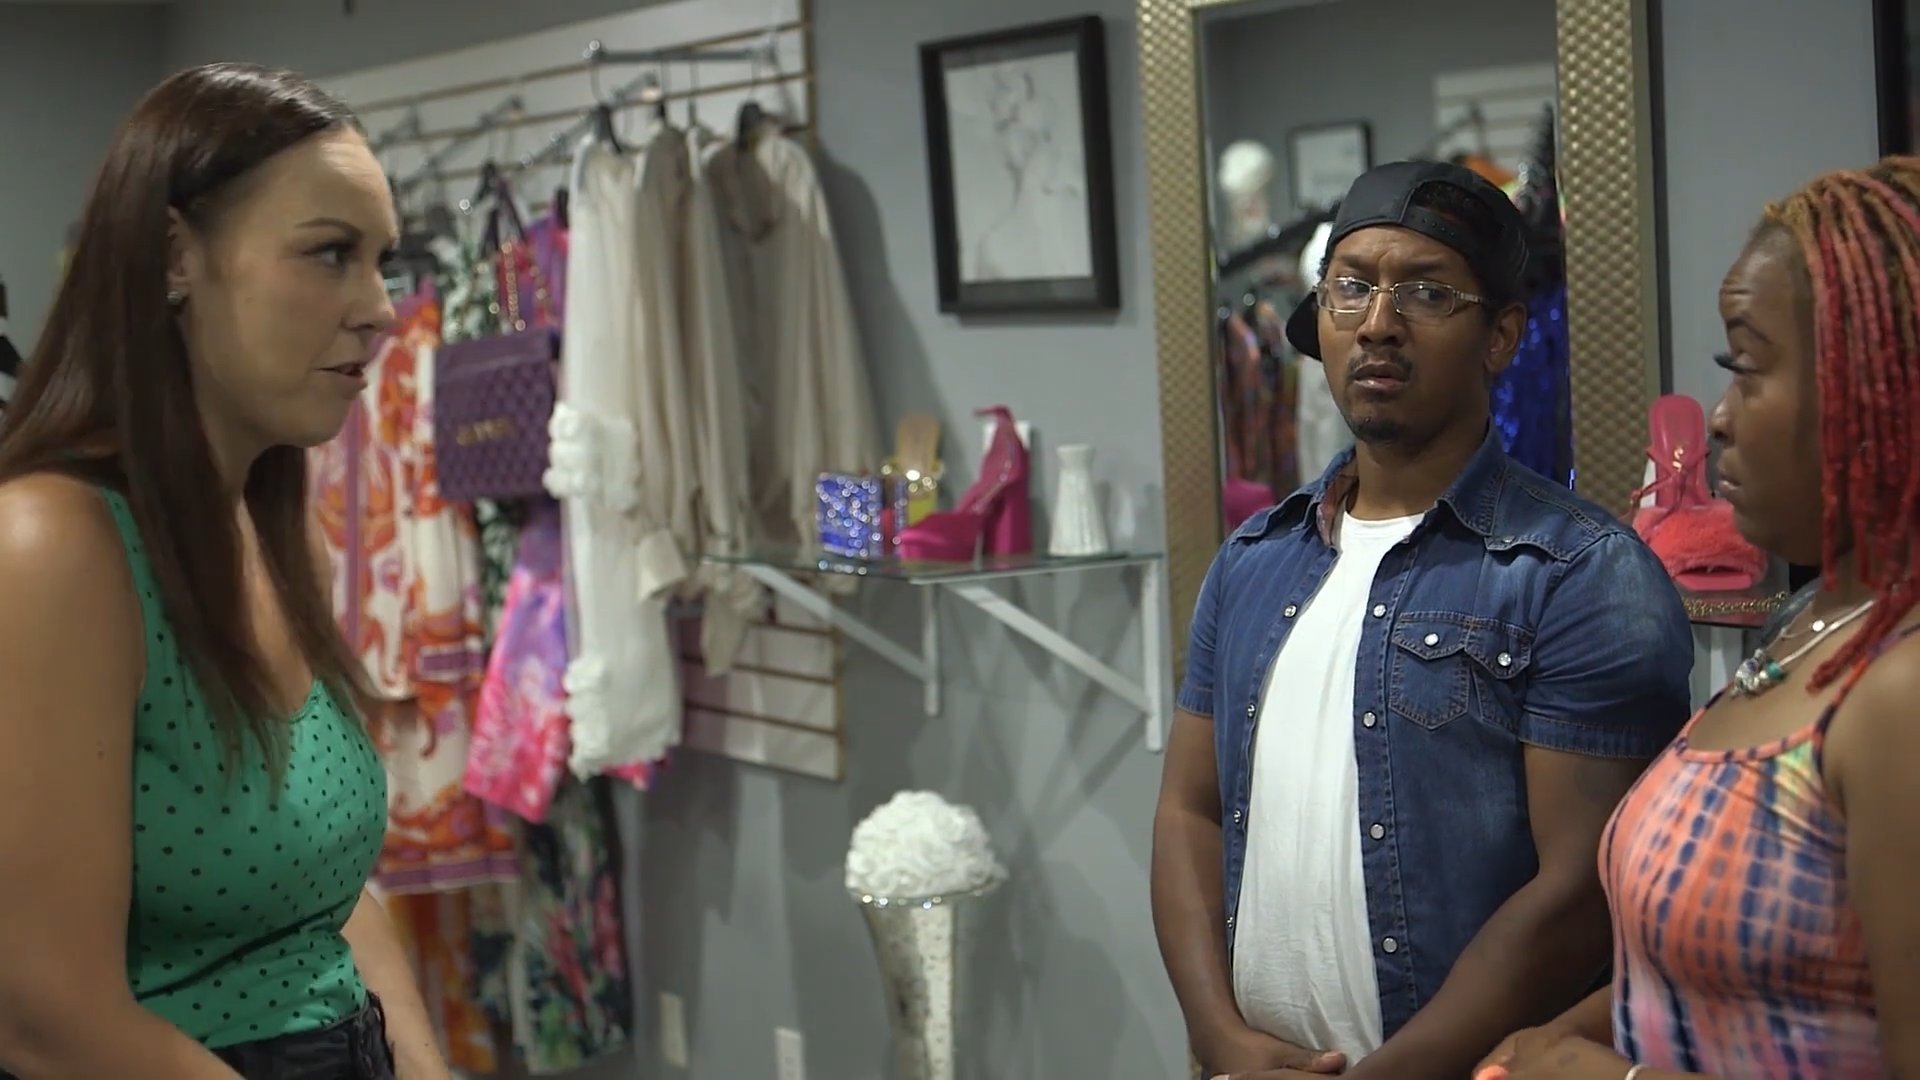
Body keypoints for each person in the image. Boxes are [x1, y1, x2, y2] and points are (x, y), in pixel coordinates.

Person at [1150, 159, 1695, 1080]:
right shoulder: (1253, 561)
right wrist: (1219, 1038)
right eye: (1351, 287)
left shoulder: (1578, 574)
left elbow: (1582, 891)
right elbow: (1188, 813)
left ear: (1501, 337)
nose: (1377, 323)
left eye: (1427, 293)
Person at [0, 64, 448, 1080]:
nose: (381, 308)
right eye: (329, 253)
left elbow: (328, 902)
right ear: (175, 258)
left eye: (381, 260)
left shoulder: (276, 534)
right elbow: (47, 1016)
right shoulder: (54, 548)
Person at [1478, 157, 1920, 1080]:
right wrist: (1563, 1039)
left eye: (1746, 369)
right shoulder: (1808, 627)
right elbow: (1729, 980)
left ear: (1881, 384)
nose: (1716, 419)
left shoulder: (1902, 692)